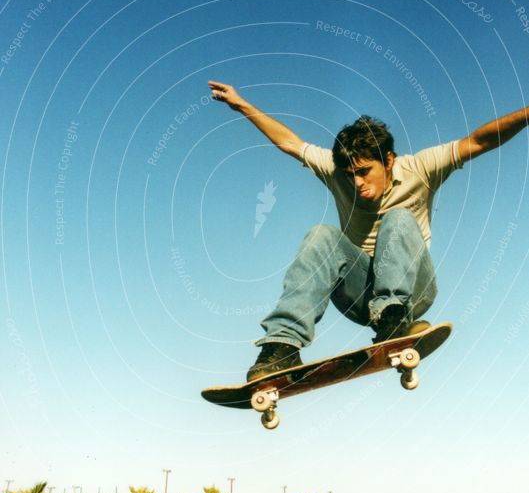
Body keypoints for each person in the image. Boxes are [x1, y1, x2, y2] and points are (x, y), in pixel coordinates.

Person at [208, 80, 528, 381]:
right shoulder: (337, 171)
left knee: (399, 218)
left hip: (414, 292)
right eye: (349, 175)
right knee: (322, 235)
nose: (357, 183)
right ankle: (280, 348)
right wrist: (241, 105)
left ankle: (394, 318)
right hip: (361, 298)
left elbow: (478, 140)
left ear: (388, 160)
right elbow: (289, 142)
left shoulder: (421, 167)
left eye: (364, 172)